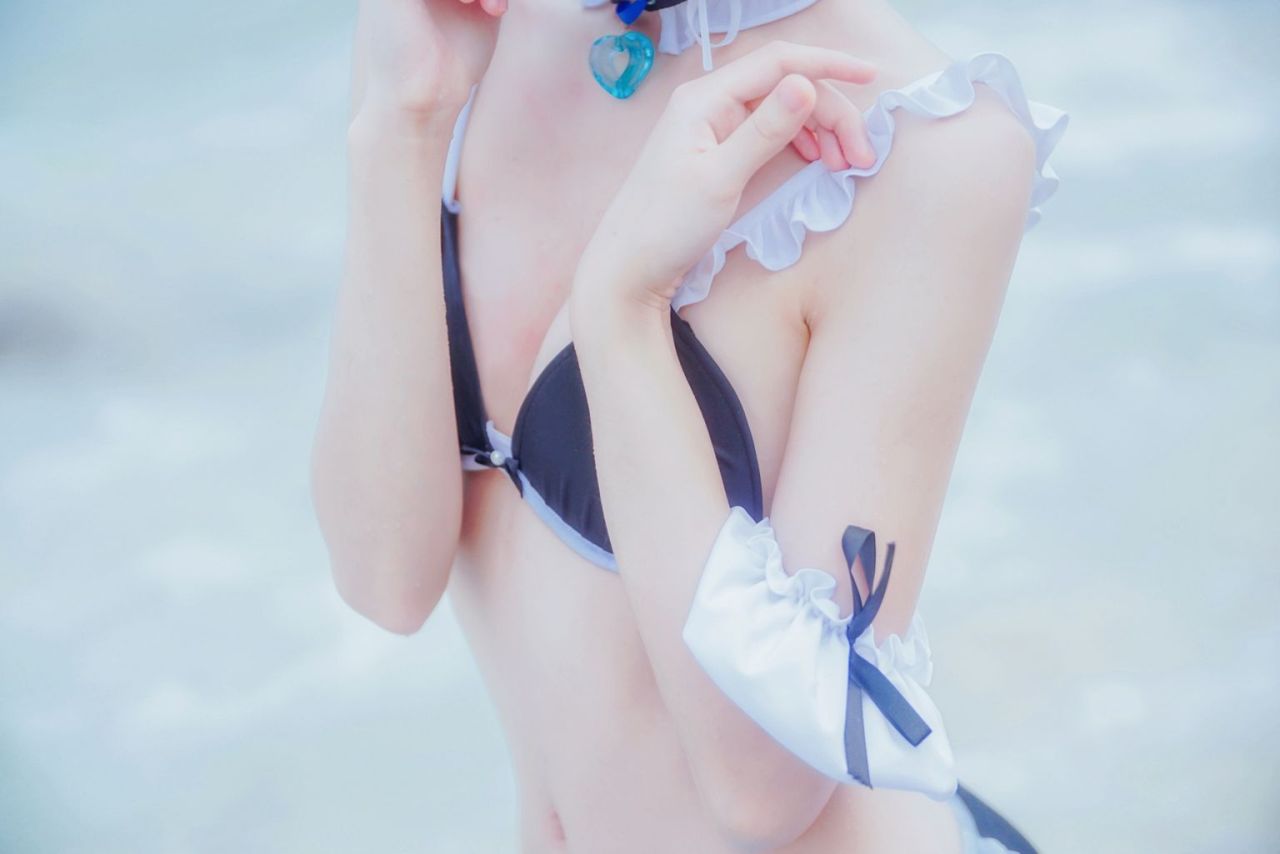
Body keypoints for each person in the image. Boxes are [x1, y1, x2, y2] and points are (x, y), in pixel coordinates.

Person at [310, 0, 1067, 850]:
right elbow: (384, 579)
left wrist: (623, 307)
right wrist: (403, 121)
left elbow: (768, 787)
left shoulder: (927, 142)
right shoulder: (459, 43)